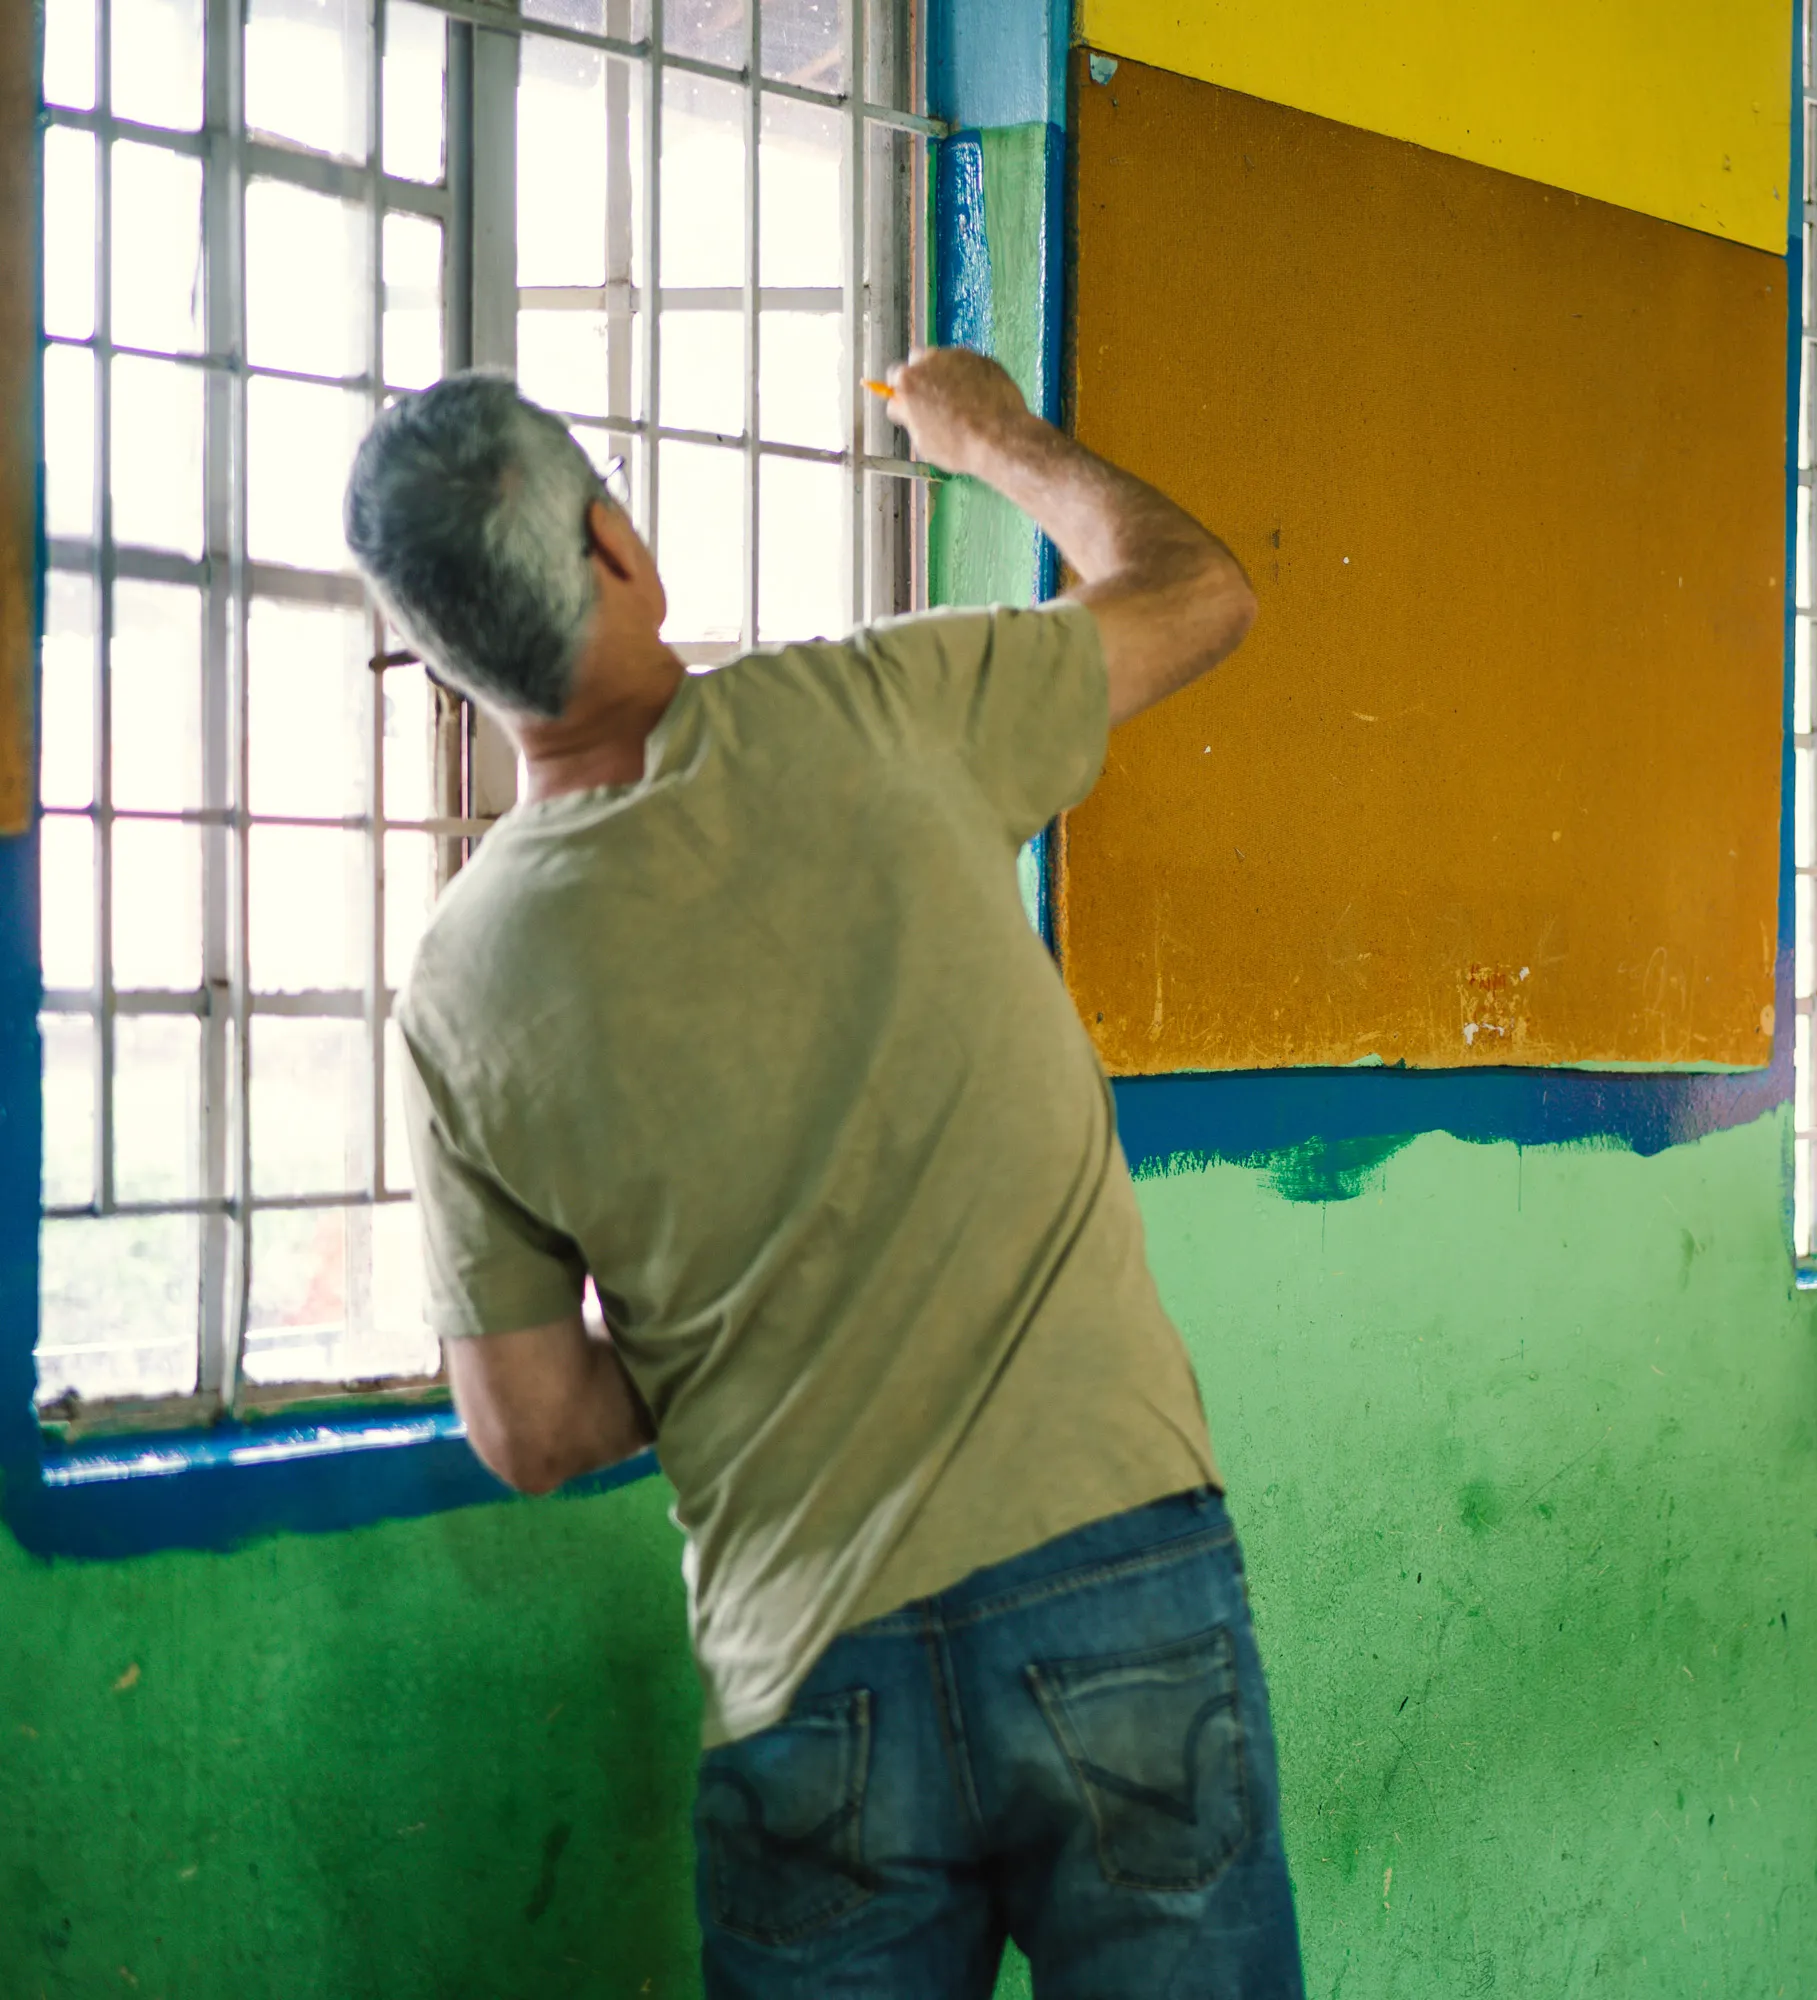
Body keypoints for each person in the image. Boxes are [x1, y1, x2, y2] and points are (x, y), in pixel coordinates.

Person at [345, 350, 1302, 1998]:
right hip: (1113, 1580)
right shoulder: (886, 712)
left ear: (447, 666)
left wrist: (743, 1296)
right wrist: (996, 440)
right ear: (621, 549)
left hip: (804, 1676)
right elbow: (1199, 595)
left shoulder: (458, 989)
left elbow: (530, 1427)